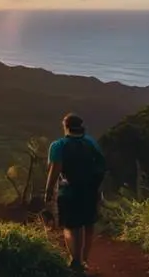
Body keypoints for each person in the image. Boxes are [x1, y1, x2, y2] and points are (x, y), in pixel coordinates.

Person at [44, 113, 106, 273]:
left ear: (65, 126)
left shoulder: (58, 145)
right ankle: (84, 260)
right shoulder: (91, 142)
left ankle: (75, 260)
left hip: (69, 191)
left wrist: (48, 191)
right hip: (90, 190)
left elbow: (55, 169)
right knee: (88, 225)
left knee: (71, 226)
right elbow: (101, 166)